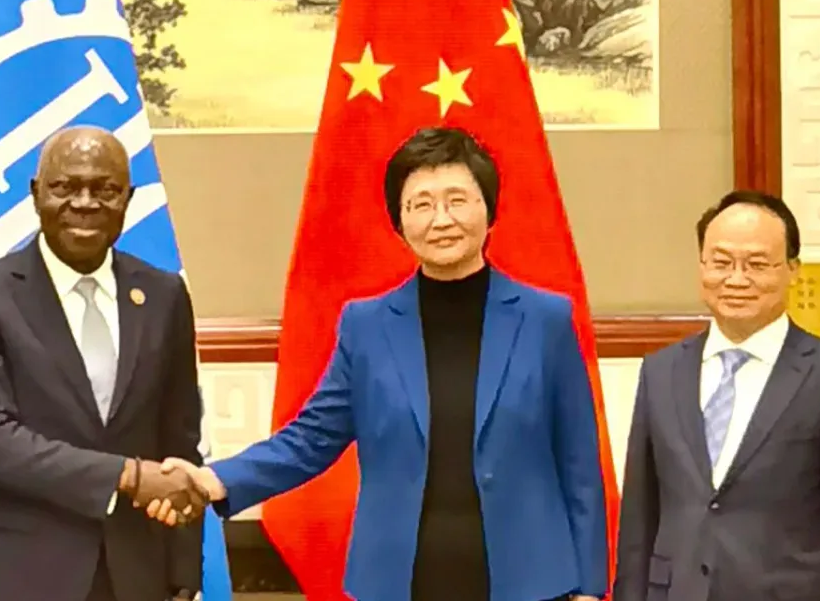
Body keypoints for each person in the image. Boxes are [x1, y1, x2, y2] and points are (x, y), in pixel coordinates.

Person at [150, 126, 609, 601]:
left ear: (488, 209)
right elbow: (310, 438)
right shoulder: (367, 326)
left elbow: (579, 464)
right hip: (400, 581)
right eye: (421, 204)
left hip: (529, 581)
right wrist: (214, 479)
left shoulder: (546, 319)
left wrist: (590, 588)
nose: (441, 219)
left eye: (457, 200)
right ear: (399, 221)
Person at [0, 126, 206, 601]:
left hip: (137, 574)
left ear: (128, 198)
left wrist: (185, 573)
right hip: (21, 575)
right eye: (65, 187)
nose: (85, 203)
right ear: (35, 193)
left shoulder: (163, 296)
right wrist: (126, 476)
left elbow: (180, 439)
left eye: (105, 189)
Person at [612, 190, 820, 601]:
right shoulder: (661, 372)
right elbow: (639, 521)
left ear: (793, 270)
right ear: (702, 265)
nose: (737, 279)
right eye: (721, 262)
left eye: (757, 264)